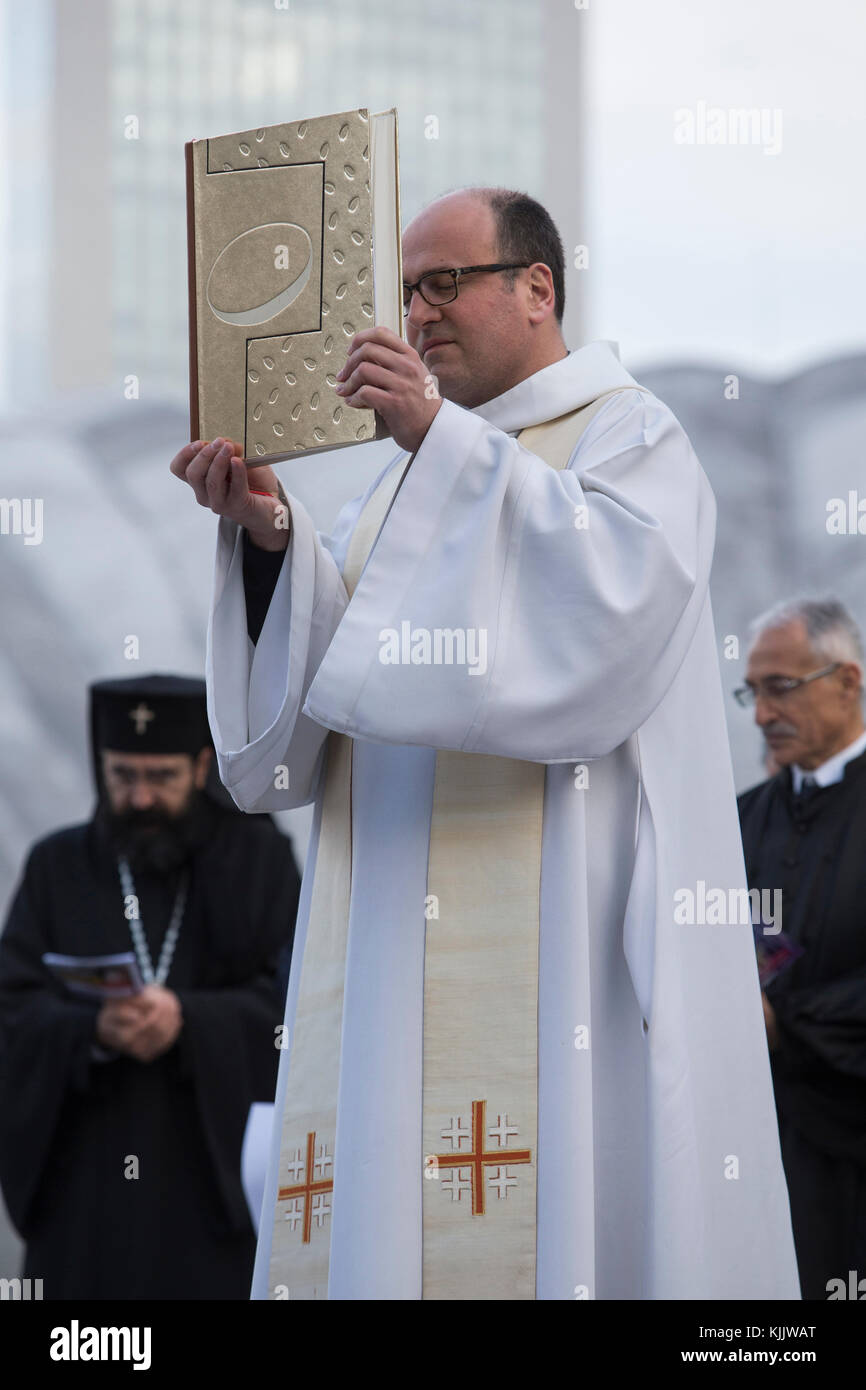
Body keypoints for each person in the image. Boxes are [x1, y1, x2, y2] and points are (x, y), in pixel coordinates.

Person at [171, 186, 799, 1300]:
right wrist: (272, 536)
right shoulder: (403, 477)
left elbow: (607, 615)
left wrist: (435, 437)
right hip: (386, 947)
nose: (416, 313)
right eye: (406, 290)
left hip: (566, 958)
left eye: (442, 282)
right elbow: (323, 712)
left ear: (536, 287)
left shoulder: (628, 433)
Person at [0, 674, 301, 1299]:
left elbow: (300, 1007)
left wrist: (190, 1020)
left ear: (200, 766)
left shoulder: (259, 865)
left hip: (210, 1183)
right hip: (85, 1185)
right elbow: (12, 1006)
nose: (139, 798)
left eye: (159, 777)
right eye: (121, 775)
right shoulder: (58, 867)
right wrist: (91, 1030)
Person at [736, 597, 866, 1300]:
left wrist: (786, 1024)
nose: (760, 714)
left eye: (780, 686)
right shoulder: (738, 821)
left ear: (847, 681)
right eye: (752, 692)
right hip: (764, 1147)